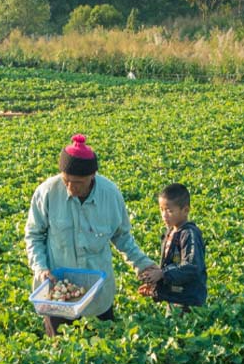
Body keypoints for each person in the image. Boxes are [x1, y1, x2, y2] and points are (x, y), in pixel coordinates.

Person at [25, 134, 160, 336]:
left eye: (78, 182)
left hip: (98, 291)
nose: (71, 187)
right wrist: (41, 268)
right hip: (58, 292)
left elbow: (122, 237)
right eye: (66, 180)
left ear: (92, 176)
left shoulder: (110, 195)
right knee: (61, 349)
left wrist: (143, 265)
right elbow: (34, 235)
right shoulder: (47, 192)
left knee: (105, 345)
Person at [138, 183, 207, 311]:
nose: (164, 215)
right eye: (161, 209)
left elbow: (191, 267)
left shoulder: (189, 234)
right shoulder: (170, 232)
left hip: (188, 300)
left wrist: (162, 273)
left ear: (185, 210)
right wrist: (155, 288)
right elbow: (169, 266)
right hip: (174, 298)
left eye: (169, 211)